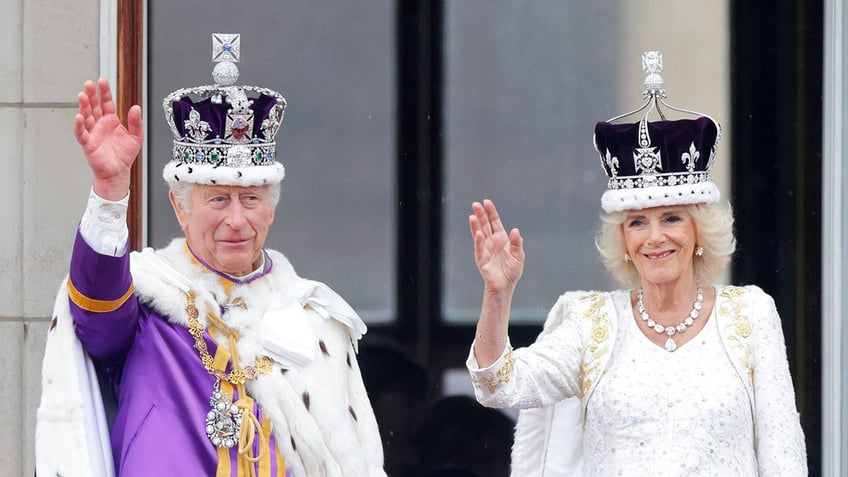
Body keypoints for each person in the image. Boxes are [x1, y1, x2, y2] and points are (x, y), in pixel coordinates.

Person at [36, 34, 386, 477]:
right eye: (218, 199)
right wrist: (109, 192)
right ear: (180, 207)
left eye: (251, 199)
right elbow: (95, 311)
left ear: (272, 208)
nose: (237, 219)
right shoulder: (147, 301)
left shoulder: (315, 319)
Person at [465, 52, 807, 476]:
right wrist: (497, 295)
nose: (654, 236)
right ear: (623, 240)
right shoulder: (590, 322)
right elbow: (499, 386)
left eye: (672, 218)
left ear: (699, 231)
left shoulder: (750, 314)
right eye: (638, 222)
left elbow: (783, 452)